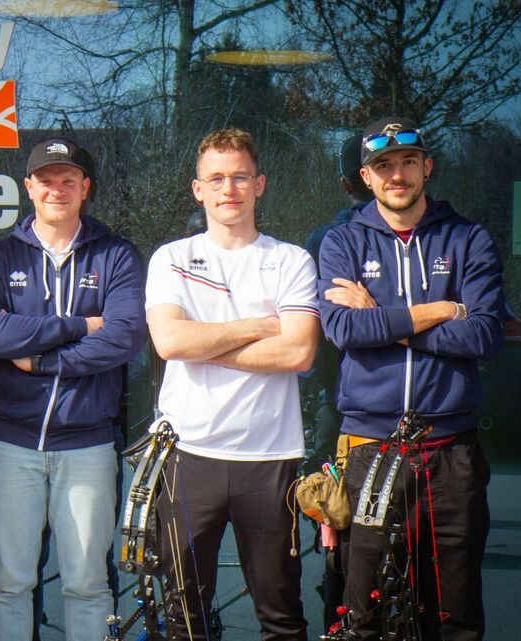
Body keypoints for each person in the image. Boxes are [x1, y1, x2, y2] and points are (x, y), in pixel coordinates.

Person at [318, 116, 503, 641]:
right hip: (368, 448)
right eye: (383, 166)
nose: (396, 175)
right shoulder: (342, 243)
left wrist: (384, 318)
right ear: (366, 177)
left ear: (427, 166)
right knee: (361, 614)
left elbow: (484, 337)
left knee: (453, 615)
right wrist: (441, 310)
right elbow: (341, 328)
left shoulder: (468, 239)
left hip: (451, 450)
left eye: (406, 162)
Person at [145, 128, 318, 641]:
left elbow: (299, 351)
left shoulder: (291, 261)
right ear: (197, 190)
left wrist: (208, 344)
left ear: (259, 184)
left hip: (269, 458)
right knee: (184, 617)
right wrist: (256, 326)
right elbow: (170, 343)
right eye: (215, 179)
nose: (229, 189)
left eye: (240, 177)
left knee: (282, 617)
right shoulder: (171, 258)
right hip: (187, 456)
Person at [0, 136, 146, 641]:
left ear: (85, 187)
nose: (57, 189)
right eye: (46, 180)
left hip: (88, 444)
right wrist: (77, 325)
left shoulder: (115, 254)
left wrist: (39, 359)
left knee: (88, 585)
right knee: (9, 583)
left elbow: (123, 337)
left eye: (68, 180)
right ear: (29, 187)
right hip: (11, 442)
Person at [301, 133, 375, 629]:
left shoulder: (326, 240)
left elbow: (327, 333)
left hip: (345, 397)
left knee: (339, 514)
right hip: (379, 403)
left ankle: (338, 614)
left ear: (345, 183)